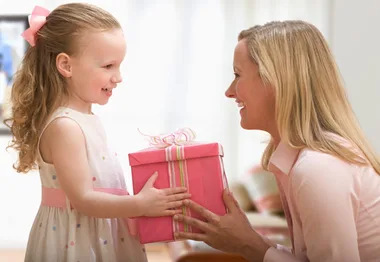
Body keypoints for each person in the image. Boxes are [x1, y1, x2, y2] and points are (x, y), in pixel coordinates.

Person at [173, 20, 380, 262]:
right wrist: (246, 240)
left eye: (238, 75)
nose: (229, 91)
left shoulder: (318, 168)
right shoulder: (296, 160)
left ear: (276, 82)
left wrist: (247, 244)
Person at [5, 4, 190, 261]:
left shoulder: (86, 119)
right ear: (66, 66)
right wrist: (140, 204)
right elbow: (83, 199)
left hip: (99, 230)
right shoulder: (65, 127)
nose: (119, 77)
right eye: (108, 66)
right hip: (77, 238)